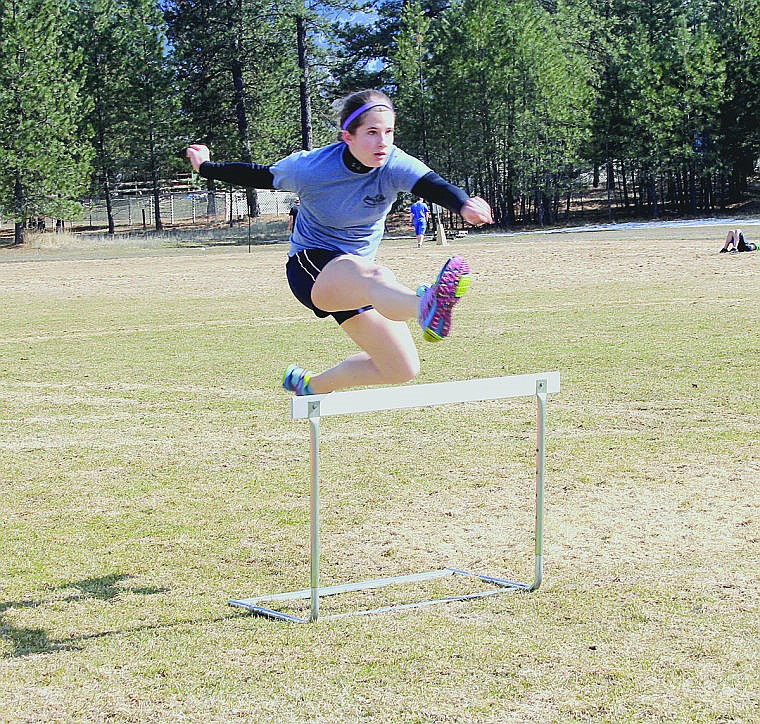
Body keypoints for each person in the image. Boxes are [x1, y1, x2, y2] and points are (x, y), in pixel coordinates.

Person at [186, 89, 492, 396]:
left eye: (388, 132)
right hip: (313, 268)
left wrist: (463, 204)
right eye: (372, 132)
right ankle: (425, 305)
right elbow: (258, 175)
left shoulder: (395, 163)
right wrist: (205, 167)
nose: (383, 141)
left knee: (401, 368)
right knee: (376, 276)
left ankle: (311, 385)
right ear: (348, 136)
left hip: (359, 281)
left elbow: (433, 185)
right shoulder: (312, 168)